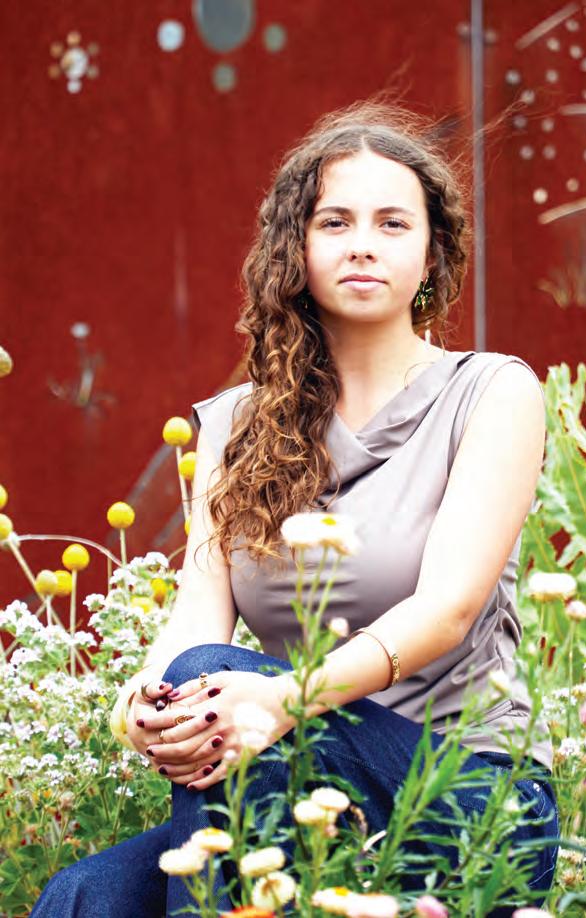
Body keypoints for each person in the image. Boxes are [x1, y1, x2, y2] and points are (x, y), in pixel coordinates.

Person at [32, 101, 558, 917]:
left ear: (431, 253)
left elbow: (448, 611)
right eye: (335, 222)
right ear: (296, 249)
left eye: (392, 223)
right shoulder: (235, 425)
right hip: (297, 776)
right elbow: (197, 618)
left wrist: (284, 698)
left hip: (471, 803)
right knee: (85, 897)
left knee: (219, 688)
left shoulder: (490, 392)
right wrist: (140, 703)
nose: (362, 244)